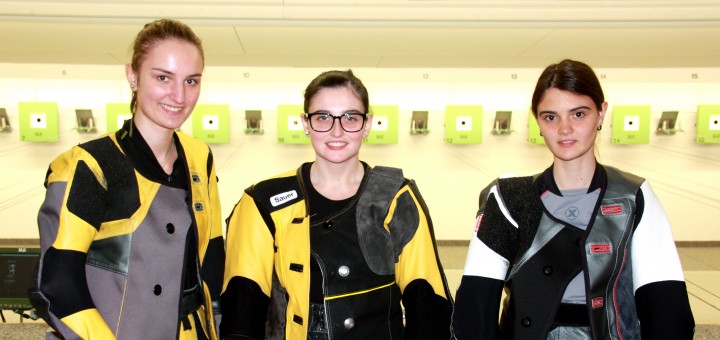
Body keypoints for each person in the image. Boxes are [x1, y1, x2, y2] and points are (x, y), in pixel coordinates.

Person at [452, 59, 695, 340]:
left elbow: (666, 307)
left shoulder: (633, 196)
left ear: (601, 113)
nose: (564, 129)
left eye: (578, 114)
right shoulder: (507, 199)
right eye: (551, 117)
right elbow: (475, 307)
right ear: (537, 121)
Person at [220, 70, 453, 339]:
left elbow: (426, 302)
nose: (337, 130)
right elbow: (242, 308)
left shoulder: (396, 196)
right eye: (323, 117)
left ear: (367, 124)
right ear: (305, 123)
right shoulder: (262, 201)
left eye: (351, 117)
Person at [29, 19, 225, 339]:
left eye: (192, 81)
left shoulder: (199, 157)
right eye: (163, 77)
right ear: (133, 76)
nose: (179, 95)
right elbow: (57, 285)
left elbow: (212, 257)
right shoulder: (90, 165)